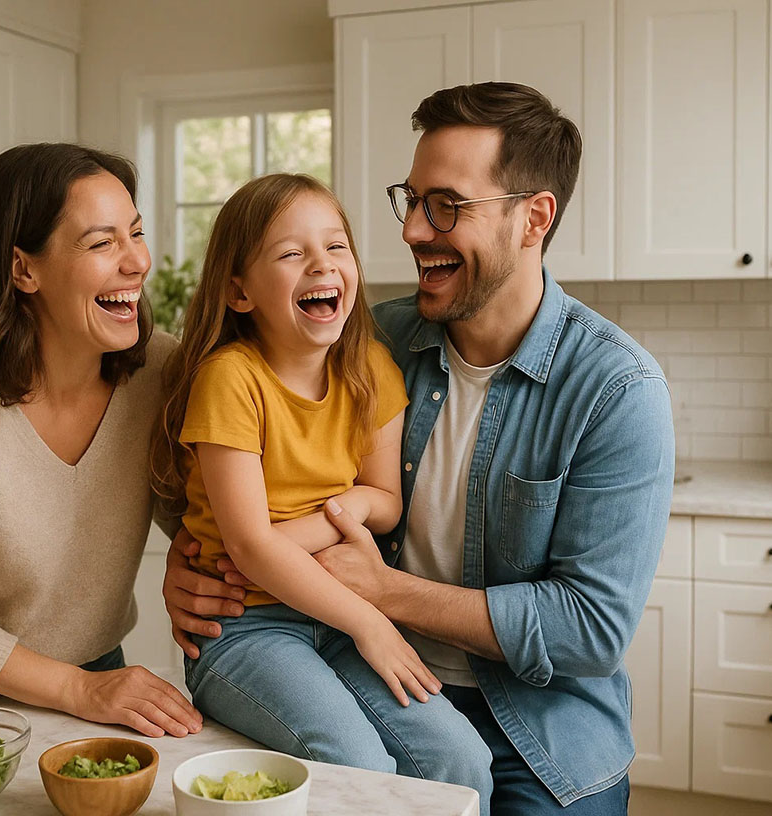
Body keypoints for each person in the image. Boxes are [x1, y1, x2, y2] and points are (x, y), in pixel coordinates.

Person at [164, 82, 676, 814]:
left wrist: (382, 594)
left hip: (540, 730)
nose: (410, 230)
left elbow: (588, 629)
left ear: (534, 218)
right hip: (350, 662)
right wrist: (188, 563)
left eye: (445, 205)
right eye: (410, 200)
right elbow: (228, 492)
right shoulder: (368, 340)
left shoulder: (617, 389)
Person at [150, 172, 495, 809]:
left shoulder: (370, 368)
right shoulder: (230, 380)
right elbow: (250, 551)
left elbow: (384, 502)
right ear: (239, 291)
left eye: (336, 246)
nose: (322, 264)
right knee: (356, 764)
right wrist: (369, 621)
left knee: (462, 759)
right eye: (291, 253)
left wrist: (327, 519)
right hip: (247, 625)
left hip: (336, 614)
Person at [0, 143, 203, 740]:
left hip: (94, 674)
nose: (137, 261)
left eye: (135, 233)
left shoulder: (160, 372)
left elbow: (193, 510)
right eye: (101, 243)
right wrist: (78, 690)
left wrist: (188, 559)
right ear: (23, 269)